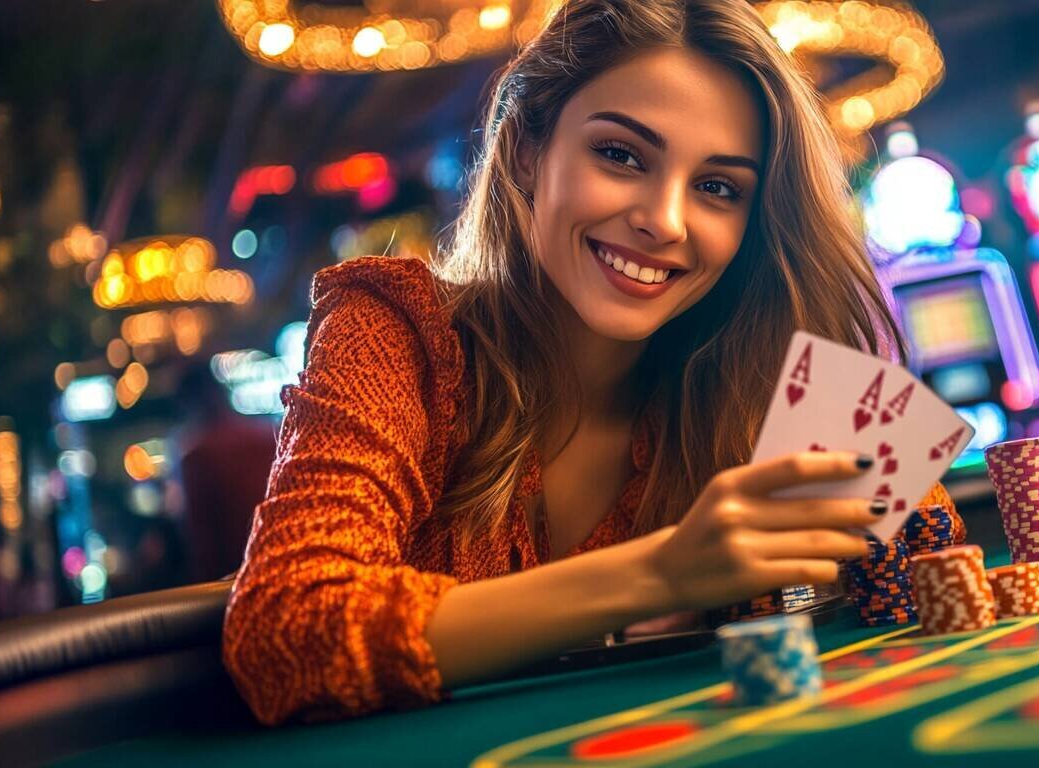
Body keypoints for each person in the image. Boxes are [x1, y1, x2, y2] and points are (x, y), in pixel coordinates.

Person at [223, 0, 963, 726]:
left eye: (717, 188)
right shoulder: (396, 332)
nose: (664, 220)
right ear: (526, 151)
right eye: (620, 155)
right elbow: (287, 632)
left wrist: (835, 389)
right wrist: (662, 573)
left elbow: (935, 567)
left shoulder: (768, 368)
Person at [173, 363, 277, 582]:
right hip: (282, 558)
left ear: (189, 405)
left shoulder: (197, 457)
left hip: (234, 580)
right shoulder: (270, 434)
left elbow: (203, 542)